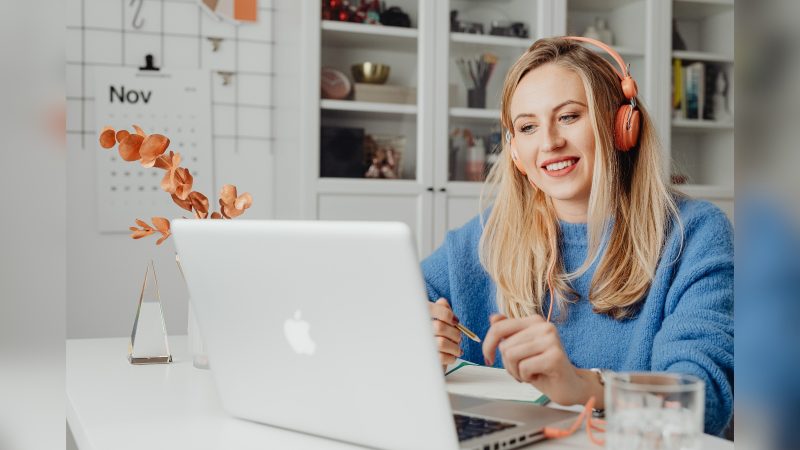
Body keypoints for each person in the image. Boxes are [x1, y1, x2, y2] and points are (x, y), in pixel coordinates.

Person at [422, 37, 733, 436]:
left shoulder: (696, 234)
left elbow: (701, 401)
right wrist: (416, 340)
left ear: (623, 125)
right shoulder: (484, 238)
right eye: (528, 126)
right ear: (515, 151)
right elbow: (382, 309)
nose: (549, 142)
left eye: (568, 116)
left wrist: (588, 387)